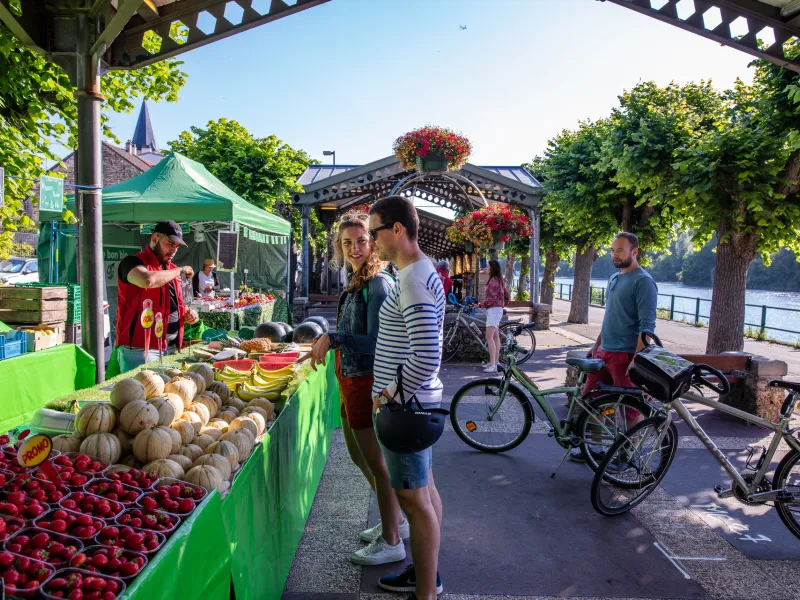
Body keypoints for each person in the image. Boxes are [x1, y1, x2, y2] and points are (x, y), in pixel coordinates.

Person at [307, 211, 407, 566]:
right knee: (357, 455)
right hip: (349, 376)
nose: (354, 248)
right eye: (347, 242)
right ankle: (395, 517)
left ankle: (392, 539)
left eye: (361, 241)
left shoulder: (377, 283)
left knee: (376, 463)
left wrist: (336, 337)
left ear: (373, 242)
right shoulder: (356, 280)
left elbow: (379, 342)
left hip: (366, 380)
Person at [369, 195, 445, 600]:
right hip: (416, 405)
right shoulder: (418, 272)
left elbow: (427, 353)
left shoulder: (413, 278)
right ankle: (426, 575)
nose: (372, 240)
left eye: (374, 231)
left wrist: (388, 394)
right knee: (426, 494)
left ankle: (426, 593)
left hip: (407, 409)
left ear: (397, 229)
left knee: (414, 500)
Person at [569, 231, 658, 463]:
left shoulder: (643, 281)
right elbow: (611, 316)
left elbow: (646, 326)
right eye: (612, 250)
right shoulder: (614, 278)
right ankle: (593, 449)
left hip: (625, 356)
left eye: (620, 250)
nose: (615, 255)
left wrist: (636, 360)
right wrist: (596, 345)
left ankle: (627, 455)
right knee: (592, 402)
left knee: (630, 410)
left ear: (634, 252)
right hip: (603, 353)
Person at [116, 221, 199, 373]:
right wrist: (180, 270)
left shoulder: (173, 270)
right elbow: (147, 280)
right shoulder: (132, 262)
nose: (174, 250)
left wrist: (188, 314)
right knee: (138, 394)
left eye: (177, 246)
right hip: (140, 349)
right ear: (154, 238)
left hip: (172, 347)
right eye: (170, 244)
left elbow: (176, 303)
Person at [478, 259, 509, 373]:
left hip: (494, 310)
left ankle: (493, 365)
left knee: (489, 337)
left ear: (492, 269)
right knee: (495, 337)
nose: (486, 269)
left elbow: (492, 299)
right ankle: (495, 363)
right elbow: (505, 295)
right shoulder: (498, 280)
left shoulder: (493, 281)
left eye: (487, 267)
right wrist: (502, 304)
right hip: (496, 309)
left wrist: (480, 305)